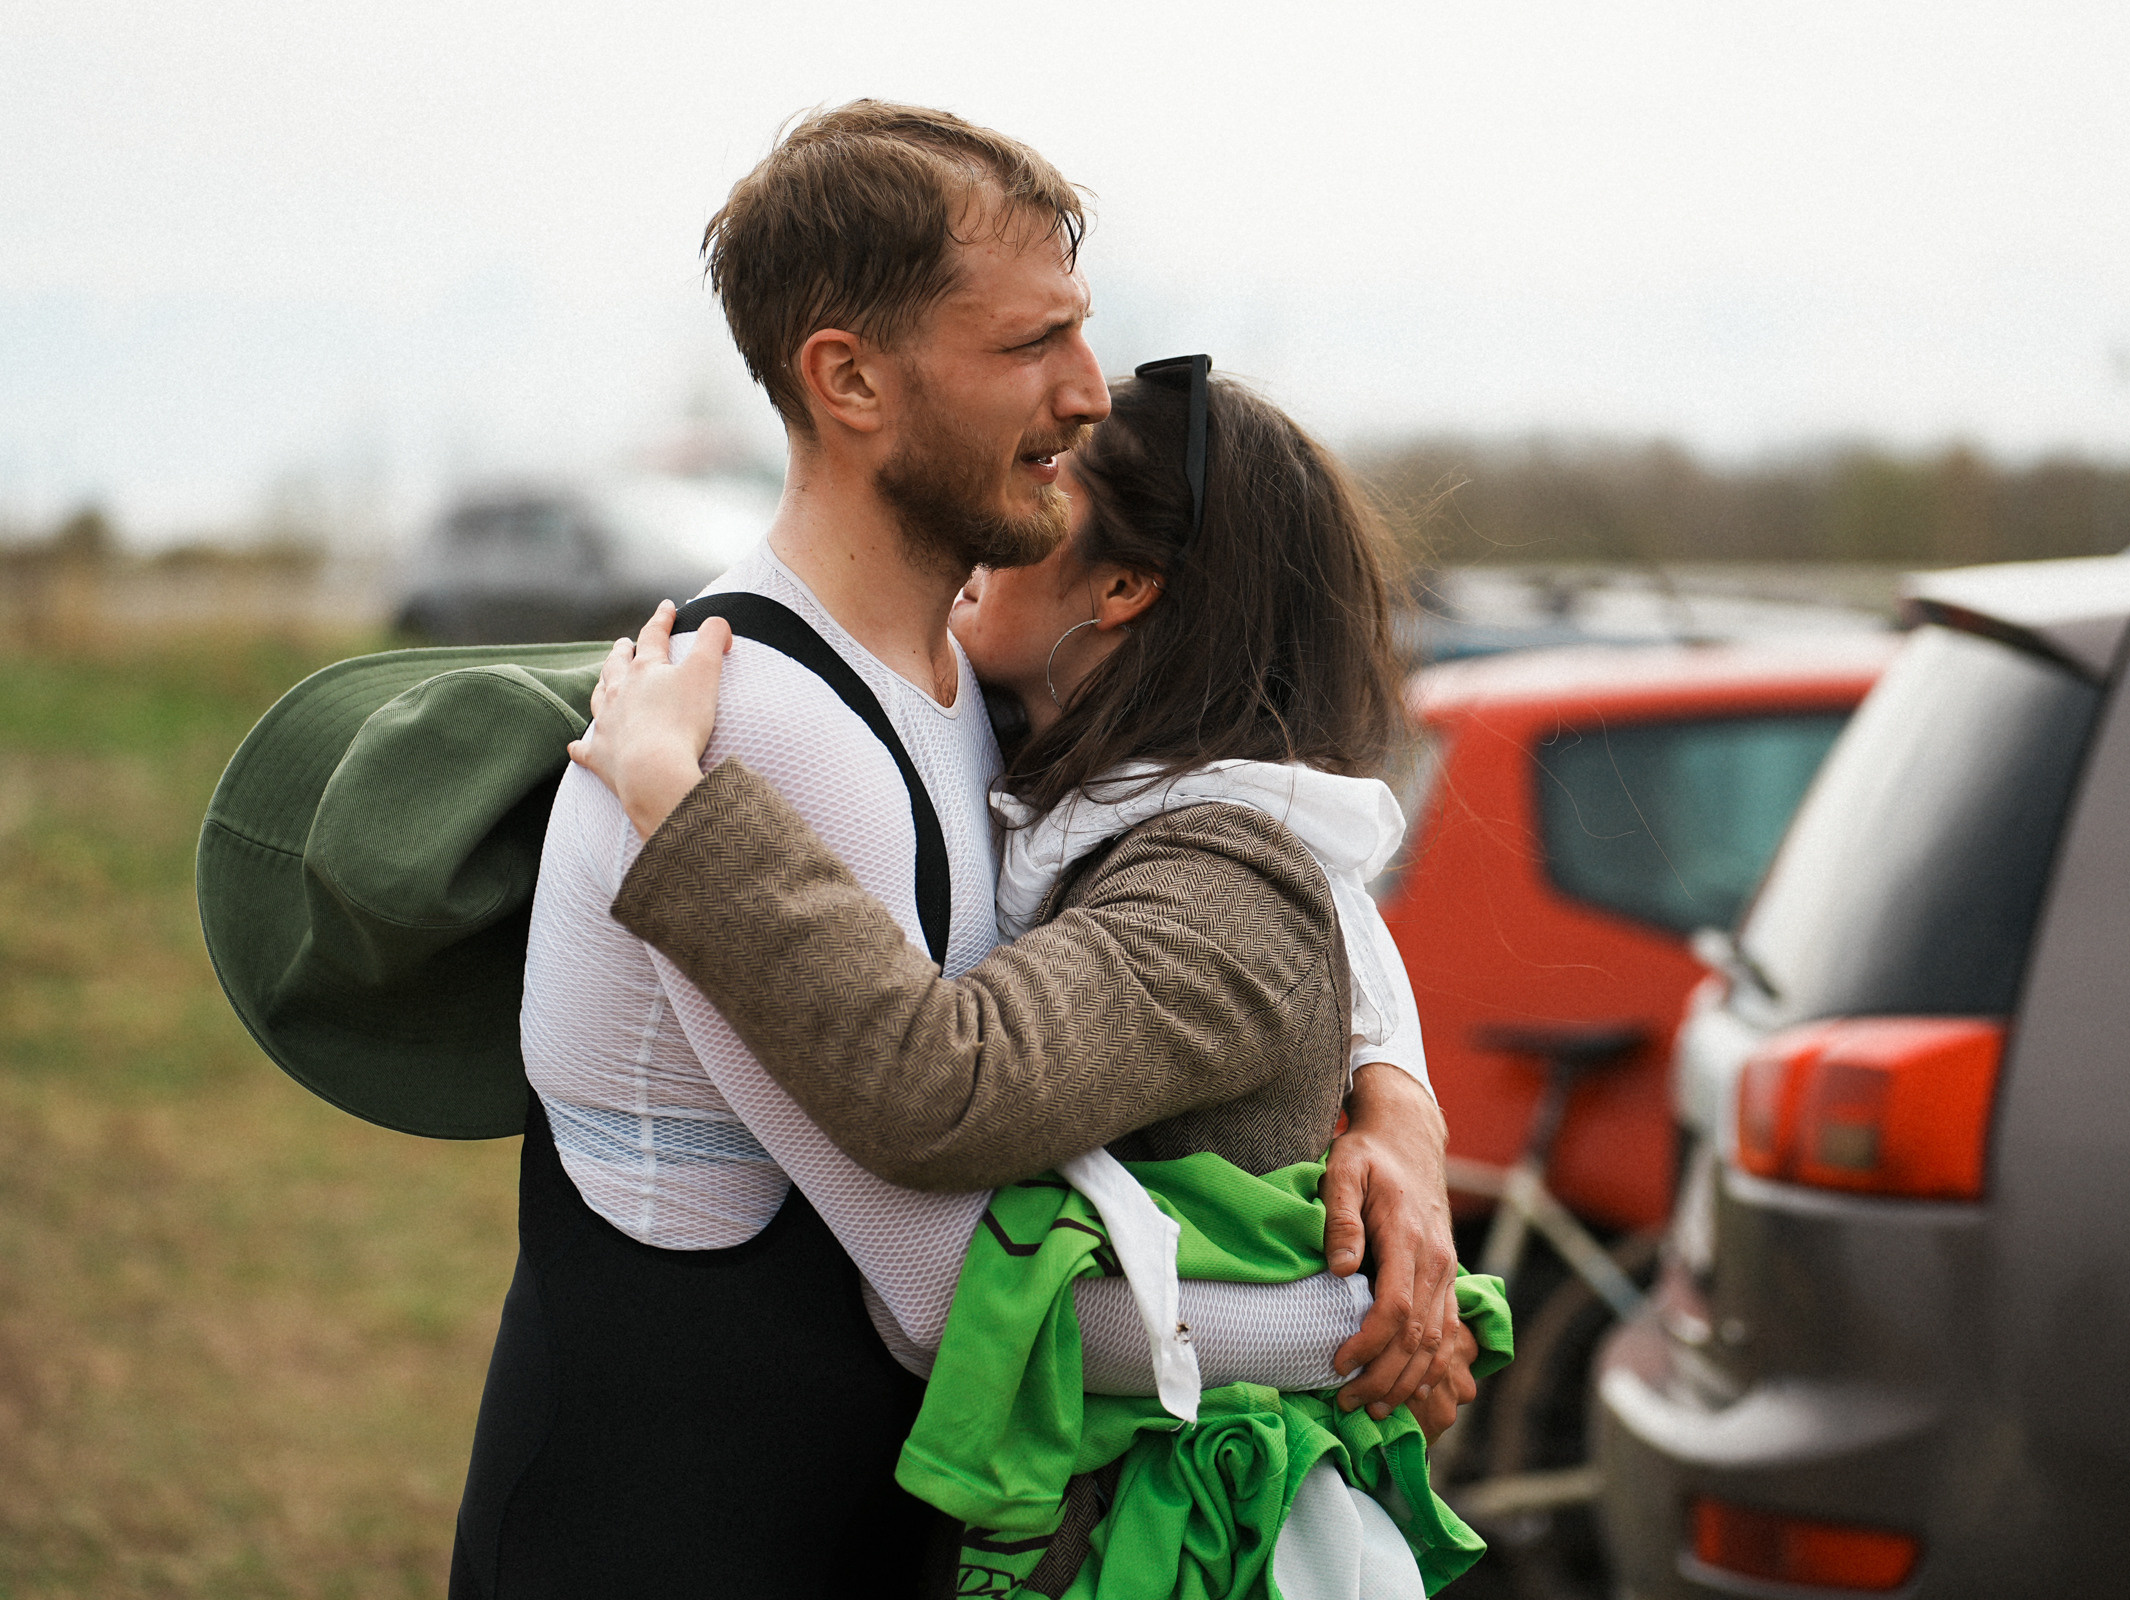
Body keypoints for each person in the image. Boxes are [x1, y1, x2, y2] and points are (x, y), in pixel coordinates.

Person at [448, 101, 1458, 1599]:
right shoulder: (747, 729)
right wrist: (1362, 1328)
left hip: (851, 1528)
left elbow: (1259, 866)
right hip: (658, 1537)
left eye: (1082, 333)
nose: (1083, 390)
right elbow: (948, 1288)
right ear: (849, 379)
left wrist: (1400, 1103)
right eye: (1028, 346)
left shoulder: (967, 690)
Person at [572, 365, 1498, 1594]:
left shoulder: (1222, 877)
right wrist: (1400, 1089)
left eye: (1044, 490)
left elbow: (952, 1084)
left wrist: (674, 801)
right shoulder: (1097, 799)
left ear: (1121, 586)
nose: (992, 521)